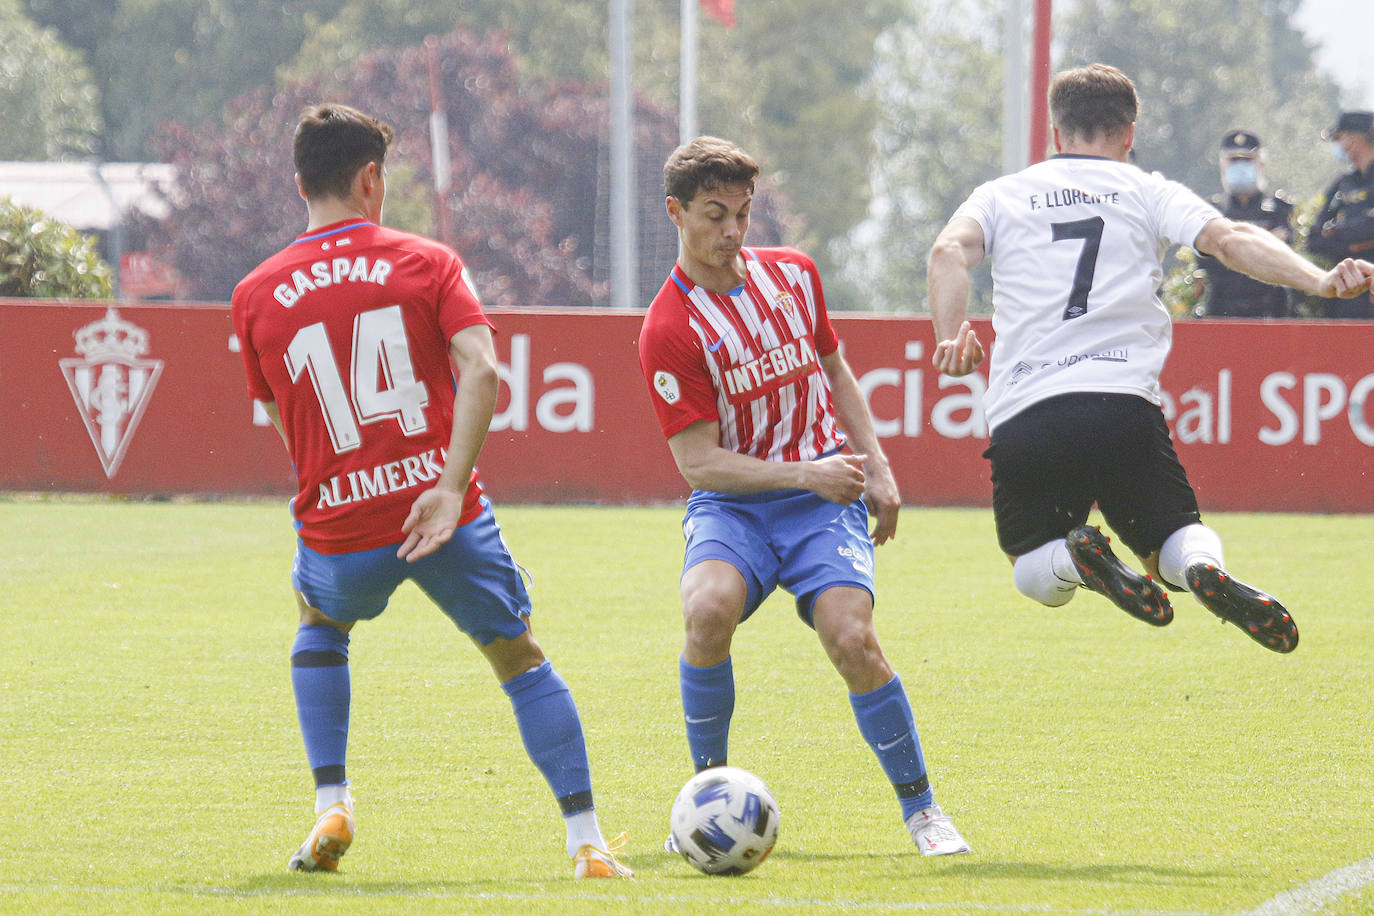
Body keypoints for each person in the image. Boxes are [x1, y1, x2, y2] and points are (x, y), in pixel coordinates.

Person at [230, 104, 631, 879]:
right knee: (519, 656)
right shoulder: (427, 261)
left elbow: (284, 413)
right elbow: (482, 369)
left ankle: (332, 802)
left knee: (318, 621)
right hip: (441, 513)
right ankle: (586, 841)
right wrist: (446, 487)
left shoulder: (255, 293)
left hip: (341, 526)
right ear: (370, 179)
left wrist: (335, 490)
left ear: (299, 184)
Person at [926, 64, 1374, 654]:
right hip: (1122, 406)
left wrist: (950, 336)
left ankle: (1074, 561)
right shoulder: (1146, 189)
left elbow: (947, 251)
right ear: (1129, 133)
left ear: (1057, 134)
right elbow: (1231, 240)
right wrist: (1318, 282)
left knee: (1030, 564)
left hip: (1026, 408)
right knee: (1174, 539)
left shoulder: (1001, 195)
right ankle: (1200, 570)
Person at [637, 136, 969, 857]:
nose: (732, 231)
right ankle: (705, 801)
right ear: (676, 213)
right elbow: (698, 464)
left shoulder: (793, 277)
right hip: (739, 504)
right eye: (715, 214)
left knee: (851, 637)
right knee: (706, 612)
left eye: (743, 214)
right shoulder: (669, 327)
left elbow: (837, 372)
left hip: (823, 503)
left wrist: (876, 468)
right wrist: (803, 473)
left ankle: (924, 812)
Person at [1194, 130, 1295, 317]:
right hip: (1222, 307)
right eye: (1233, 160)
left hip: (1269, 307)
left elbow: (1283, 256)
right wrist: (1263, 243)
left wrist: (1228, 247)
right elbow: (1205, 259)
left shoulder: (1278, 208)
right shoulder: (1212, 210)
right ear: (1222, 164)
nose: (1240, 165)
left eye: (1247, 159)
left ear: (1261, 162)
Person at [1308, 110, 1374, 318]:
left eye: (1339, 138)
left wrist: (1338, 231)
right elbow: (1314, 239)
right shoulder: (1341, 184)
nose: (1338, 145)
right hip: (1345, 296)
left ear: (1355, 138)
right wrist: (1352, 243)